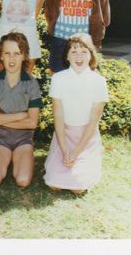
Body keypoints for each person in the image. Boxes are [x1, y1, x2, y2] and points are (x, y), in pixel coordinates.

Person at [43, 33, 108, 194]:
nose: (79, 56)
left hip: (86, 138)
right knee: (53, 184)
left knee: (78, 188)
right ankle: (60, 158)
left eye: (84, 51)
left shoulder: (99, 82)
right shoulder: (58, 78)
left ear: (91, 55)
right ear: (67, 56)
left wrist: (76, 152)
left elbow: (93, 122)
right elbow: (58, 115)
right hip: (63, 137)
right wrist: (65, 150)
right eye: (74, 51)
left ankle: (85, 164)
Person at [0, 32, 42, 187]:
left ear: (24, 56)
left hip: (24, 140)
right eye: (7, 53)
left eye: (17, 54)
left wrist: (1, 119)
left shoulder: (31, 83)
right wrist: (20, 116)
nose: (12, 58)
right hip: (0, 139)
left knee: (22, 180)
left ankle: (19, 158)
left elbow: (32, 123)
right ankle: (1, 158)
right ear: (1, 56)